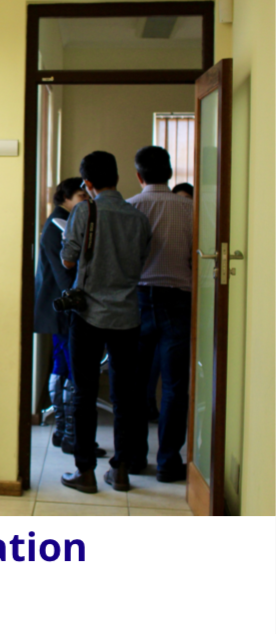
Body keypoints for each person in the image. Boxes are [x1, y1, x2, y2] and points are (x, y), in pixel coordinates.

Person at [59, 151, 151, 493]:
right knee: (126, 395)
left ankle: (85, 472)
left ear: (88, 183)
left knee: (84, 393)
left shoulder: (84, 211)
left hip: (88, 314)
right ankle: (121, 470)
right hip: (127, 315)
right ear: (117, 177)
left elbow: (68, 260)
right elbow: (142, 261)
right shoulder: (138, 217)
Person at [127, 147, 193, 483]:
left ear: (139, 176)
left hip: (137, 299)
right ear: (169, 174)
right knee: (175, 387)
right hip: (178, 302)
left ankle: (134, 457)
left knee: (135, 385)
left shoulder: (129, 207)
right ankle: (168, 462)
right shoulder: (190, 208)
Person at [34, 179, 87, 448]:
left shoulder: (63, 221)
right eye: (80, 196)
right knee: (68, 364)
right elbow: (63, 273)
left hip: (60, 305)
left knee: (63, 363)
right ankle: (70, 434)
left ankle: (64, 432)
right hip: (63, 306)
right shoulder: (58, 224)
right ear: (65, 197)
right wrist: (77, 301)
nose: (85, 200)